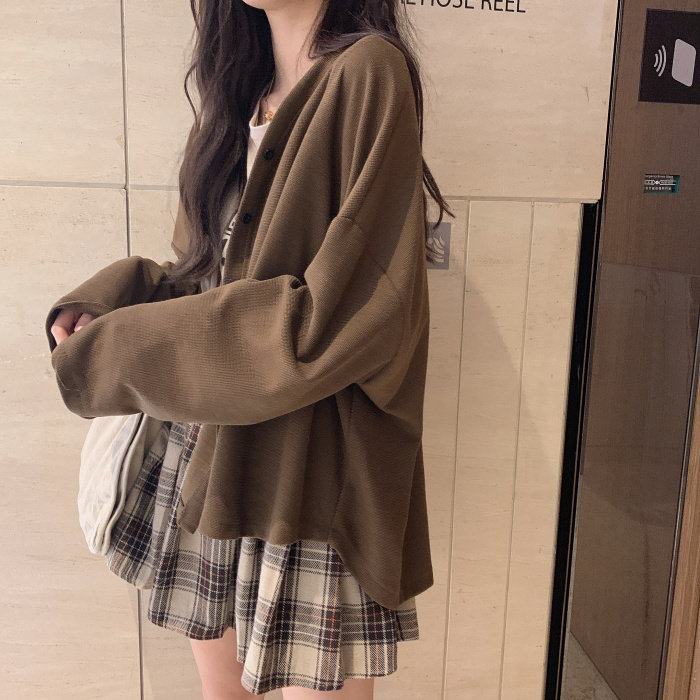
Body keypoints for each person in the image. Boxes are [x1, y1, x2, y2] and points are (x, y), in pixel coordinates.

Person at [48, 1, 454, 698]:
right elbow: (203, 276)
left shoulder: (367, 74)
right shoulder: (240, 91)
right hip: (207, 455)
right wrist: (107, 302)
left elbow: (346, 316)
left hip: (308, 472)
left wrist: (120, 353)